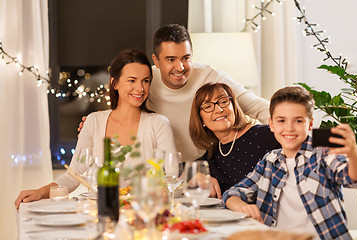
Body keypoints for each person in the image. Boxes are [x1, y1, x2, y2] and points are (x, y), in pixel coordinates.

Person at [79, 24, 270, 162]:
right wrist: (94, 127)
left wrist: (287, 130)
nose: (180, 67)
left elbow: (257, 106)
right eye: (170, 59)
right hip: (156, 167)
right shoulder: (144, 80)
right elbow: (123, 112)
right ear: (156, 60)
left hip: (204, 163)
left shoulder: (210, 77)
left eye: (186, 58)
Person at [14, 49, 177, 210]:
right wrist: (39, 192)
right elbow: (73, 176)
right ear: (115, 83)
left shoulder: (159, 124)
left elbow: (172, 176)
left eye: (145, 81)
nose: (140, 88)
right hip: (102, 211)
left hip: (143, 213)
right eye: (132, 80)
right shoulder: (94, 121)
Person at [222, 86, 357, 239]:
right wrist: (242, 206)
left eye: (298, 121)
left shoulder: (324, 154)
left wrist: (353, 153)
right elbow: (232, 193)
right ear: (271, 124)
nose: (289, 128)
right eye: (281, 121)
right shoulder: (269, 161)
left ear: (310, 124)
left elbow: (355, 180)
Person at [189, 83, 280, 198]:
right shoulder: (212, 154)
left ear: (234, 107)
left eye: (223, 101)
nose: (219, 109)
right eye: (208, 106)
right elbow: (179, 173)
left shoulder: (265, 135)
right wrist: (195, 176)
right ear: (201, 120)